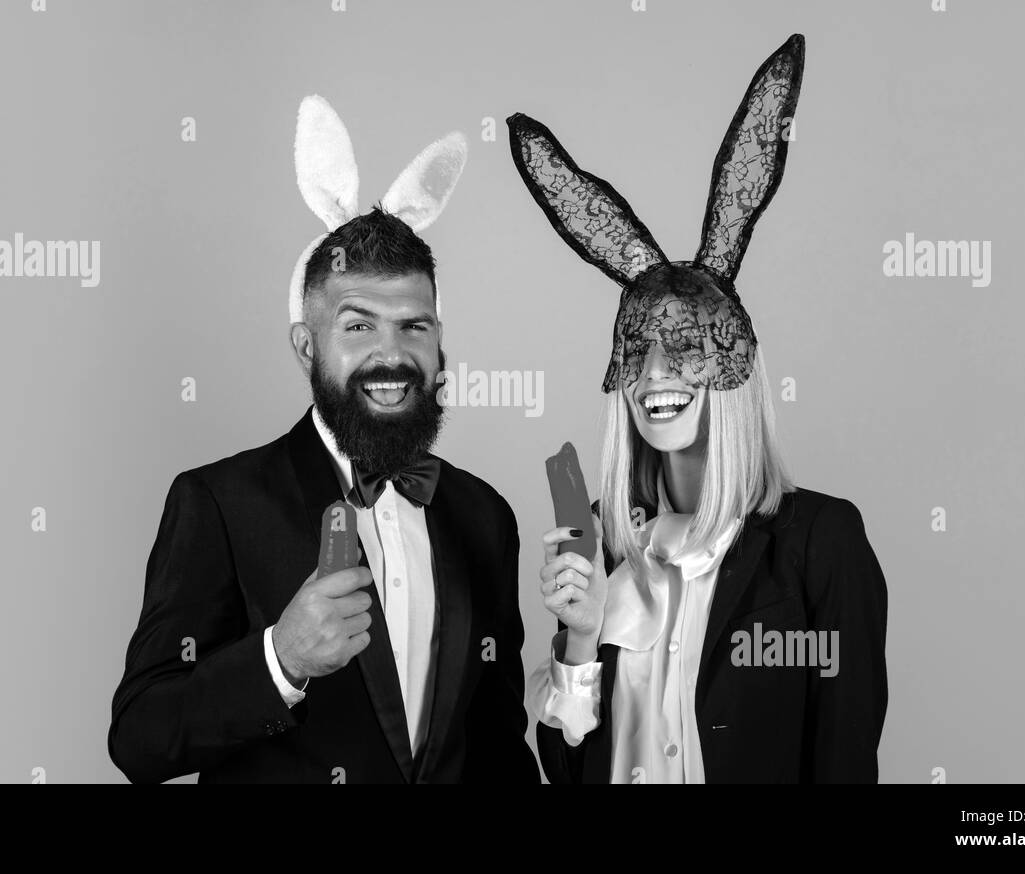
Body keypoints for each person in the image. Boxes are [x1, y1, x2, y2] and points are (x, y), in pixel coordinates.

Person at [108, 96, 539, 784]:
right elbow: (141, 737)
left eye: (414, 326)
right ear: (307, 346)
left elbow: (496, 748)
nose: (391, 354)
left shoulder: (485, 517)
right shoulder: (220, 503)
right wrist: (282, 660)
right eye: (359, 326)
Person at [507, 35, 889, 783]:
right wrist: (580, 639)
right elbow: (564, 763)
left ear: (733, 363)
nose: (655, 377)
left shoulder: (819, 546)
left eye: (683, 349)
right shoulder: (604, 539)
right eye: (637, 349)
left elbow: (844, 758)